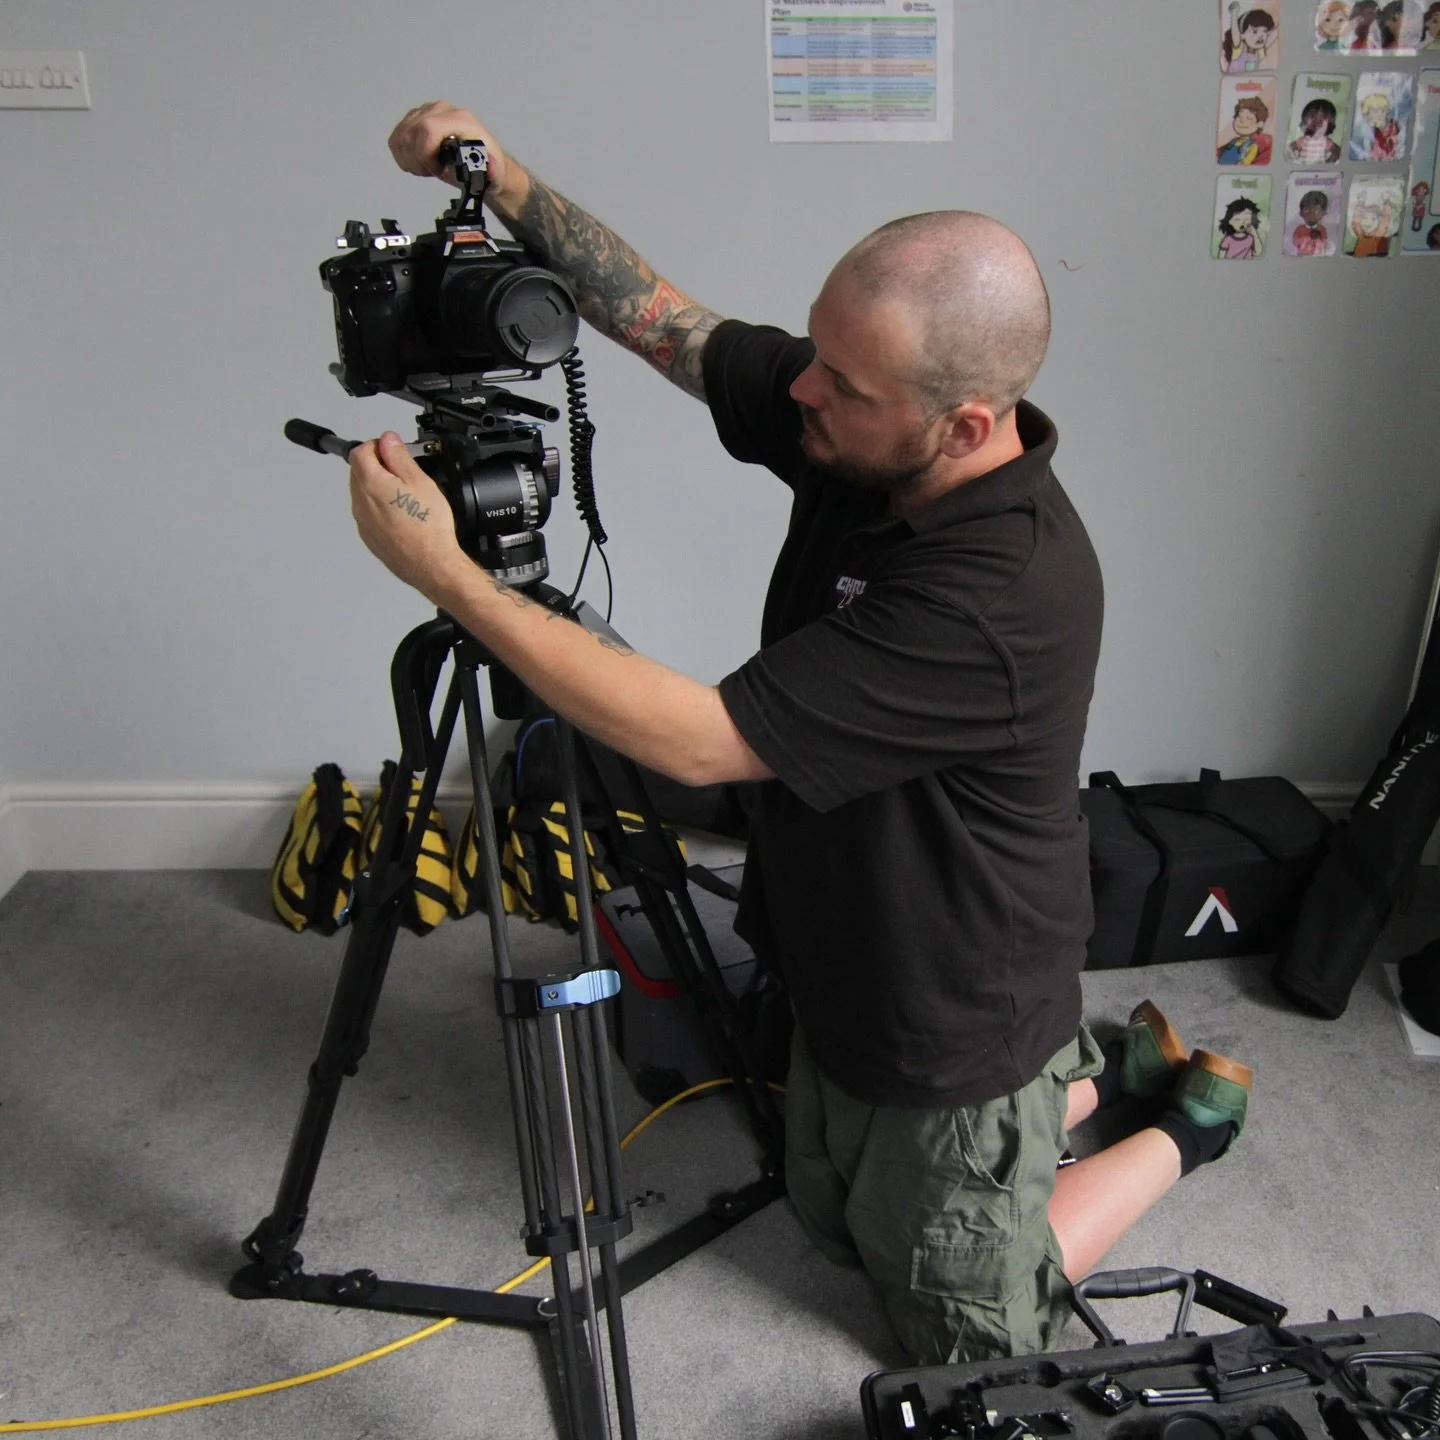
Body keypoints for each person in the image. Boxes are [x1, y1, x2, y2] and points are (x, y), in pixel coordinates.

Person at [351, 100, 1255, 1366]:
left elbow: (702, 740)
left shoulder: (998, 592)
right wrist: (497, 176)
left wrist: (453, 580)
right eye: (819, 355)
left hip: (949, 1009)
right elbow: (667, 321)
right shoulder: (876, 423)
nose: (804, 390)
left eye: (842, 383)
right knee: (830, 1218)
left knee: (962, 1341)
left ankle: (1184, 1124)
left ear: (966, 424)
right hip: (844, 948)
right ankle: (1099, 1075)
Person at [1218, 97, 1273, 165]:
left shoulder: (1252, 146)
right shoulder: (1233, 141)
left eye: (1249, 118)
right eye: (1239, 117)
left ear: (1260, 124)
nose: (1242, 121)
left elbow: (1244, 164)